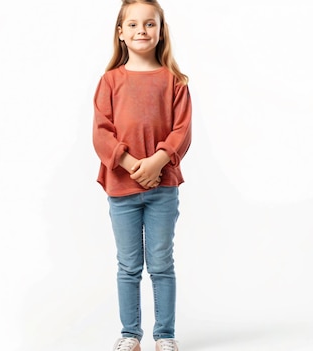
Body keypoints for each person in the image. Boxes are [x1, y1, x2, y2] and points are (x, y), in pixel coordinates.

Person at [92, 1, 192, 350]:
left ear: (161, 31)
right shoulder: (110, 81)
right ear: (120, 33)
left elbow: (182, 130)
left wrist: (157, 162)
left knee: (161, 263)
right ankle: (130, 334)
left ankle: (164, 335)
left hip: (162, 187)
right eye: (132, 25)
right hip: (121, 188)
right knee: (129, 265)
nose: (141, 31)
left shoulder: (174, 81)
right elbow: (101, 132)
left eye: (150, 24)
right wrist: (133, 164)